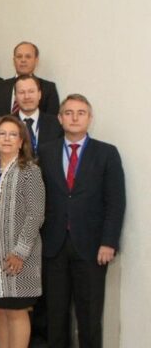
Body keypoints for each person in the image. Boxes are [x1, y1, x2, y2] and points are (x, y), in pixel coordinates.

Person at [38, 94, 126, 348]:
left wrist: (108, 242)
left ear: (90, 118)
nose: (74, 118)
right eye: (69, 113)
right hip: (53, 246)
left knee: (89, 315)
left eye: (81, 113)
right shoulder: (45, 151)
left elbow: (115, 202)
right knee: (56, 315)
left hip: (92, 248)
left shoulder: (107, 153)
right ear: (60, 118)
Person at [0, 116, 46, 348]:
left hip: (16, 254)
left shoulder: (29, 170)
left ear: (21, 141)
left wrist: (20, 252)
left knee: (16, 310)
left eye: (13, 134)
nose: (6, 139)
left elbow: (36, 215)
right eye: (2, 134)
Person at [0, 42, 60, 116]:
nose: (23, 60)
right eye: (19, 56)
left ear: (36, 61)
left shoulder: (48, 88)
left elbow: (51, 122)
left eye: (28, 56)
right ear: (14, 61)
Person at [13, 75, 63, 155]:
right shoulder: (6, 124)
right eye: (22, 92)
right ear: (15, 97)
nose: (27, 97)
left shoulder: (56, 124)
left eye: (31, 91)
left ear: (39, 94)